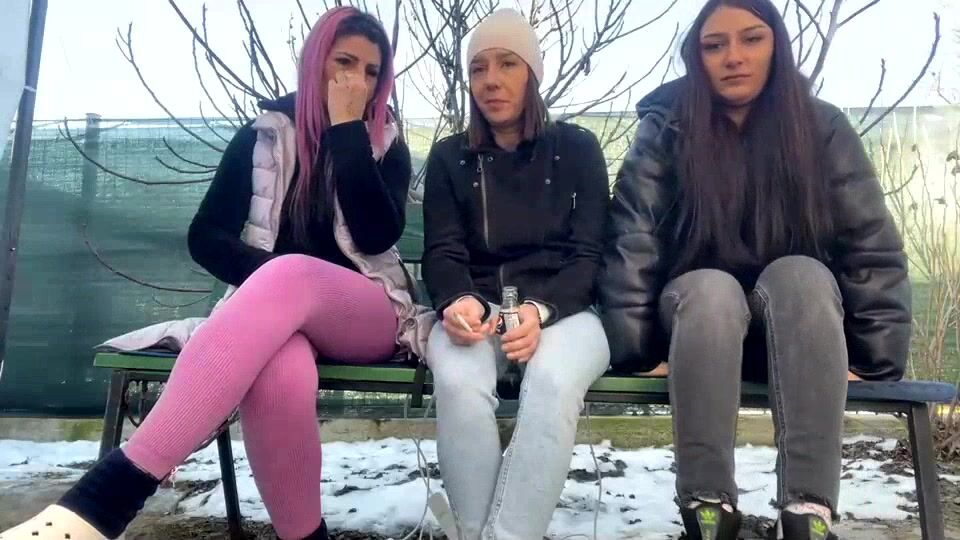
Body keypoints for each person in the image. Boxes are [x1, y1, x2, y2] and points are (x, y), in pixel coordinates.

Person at [1, 7, 431, 540]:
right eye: (344, 63)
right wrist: (270, 278)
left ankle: (103, 501)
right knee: (280, 373)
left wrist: (347, 131)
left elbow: (376, 236)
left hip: (369, 313)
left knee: (292, 276)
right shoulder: (262, 139)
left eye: (371, 72)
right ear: (316, 62)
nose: (357, 81)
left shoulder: (385, 143)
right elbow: (205, 236)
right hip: (279, 321)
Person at [598, 1, 911, 539]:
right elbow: (634, 239)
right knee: (711, 289)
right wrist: (638, 351)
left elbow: (868, 244)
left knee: (803, 276)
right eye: (714, 45)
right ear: (696, 57)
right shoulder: (667, 129)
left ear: (776, 47)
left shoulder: (821, 128)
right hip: (694, 332)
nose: (733, 57)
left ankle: (807, 513)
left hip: (799, 336)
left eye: (751, 39)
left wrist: (874, 358)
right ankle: (708, 509)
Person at [420, 8, 612, 540]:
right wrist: (456, 300)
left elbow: (590, 254)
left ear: (532, 73)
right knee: (458, 382)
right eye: (478, 68)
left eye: (507, 63)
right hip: (479, 309)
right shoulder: (449, 158)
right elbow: (441, 251)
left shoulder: (577, 149)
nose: (491, 80)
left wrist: (538, 309)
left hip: (567, 310)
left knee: (552, 382)